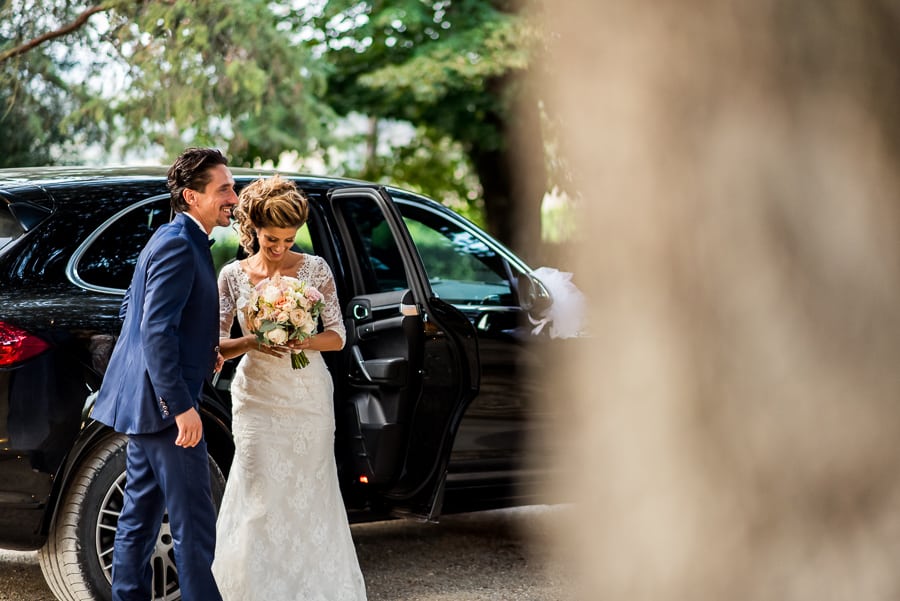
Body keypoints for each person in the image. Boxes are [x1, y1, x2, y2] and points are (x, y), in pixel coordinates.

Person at [91, 147, 237, 601]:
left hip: (144, 406)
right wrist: (181, 408)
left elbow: (133, 310)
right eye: (225, 189)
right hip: (165, 411)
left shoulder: (169, 237)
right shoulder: (178, 243)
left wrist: (203, 348)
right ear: (192, 196)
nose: (234, 195)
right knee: (195, 523)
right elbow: (155, 330)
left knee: (138, 516)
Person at [211, 175, 367, 600]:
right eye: (269, 238)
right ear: (253, 229)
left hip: (307, 397)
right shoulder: (232, 276)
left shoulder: (315, 268)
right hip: (256, 396)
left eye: (287, 238)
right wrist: (253, 340)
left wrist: (301, 338)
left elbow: (337, 336)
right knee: (259, 496)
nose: (279, 247)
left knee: (309, 495)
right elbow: (218, 344)